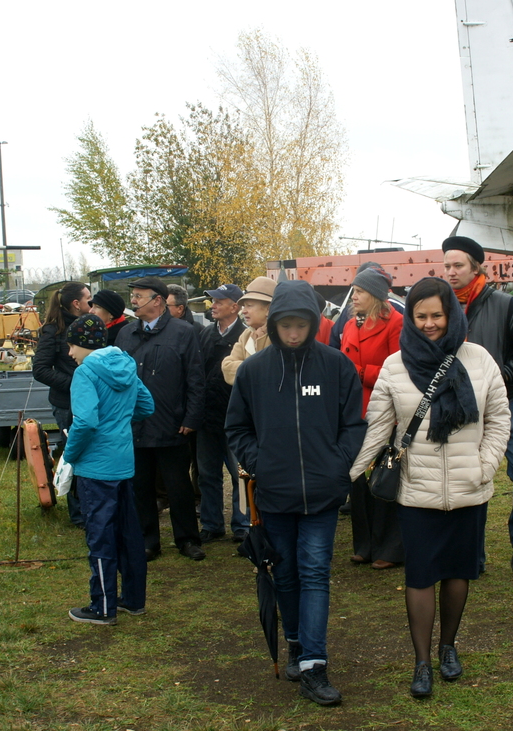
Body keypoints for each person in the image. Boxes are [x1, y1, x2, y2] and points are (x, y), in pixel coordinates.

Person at [351, 277, 510, 698]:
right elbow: (378, 429)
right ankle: (422, 661)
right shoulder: (395, 365)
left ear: (451, 314)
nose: (428, 323)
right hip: (417, 490)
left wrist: (484, 466)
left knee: (458, 572)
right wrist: (348, 474)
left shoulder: (479, 360)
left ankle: (448, 647)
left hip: (468, 486)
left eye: (436, 315)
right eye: (420, 316)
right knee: (420, 575)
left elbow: (498, 420)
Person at [225, 279, 366, 707]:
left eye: (300, 325)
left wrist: (337, 465)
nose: (292, 333)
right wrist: (262, 462)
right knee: (284, 573)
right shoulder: (254, 371)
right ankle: (295, 643)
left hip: (323, 495)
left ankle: (314, 666)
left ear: (311, 323)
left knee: (315, 574)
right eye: (285, 325)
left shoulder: (336, 367)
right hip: (275, 493)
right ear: (275, 322)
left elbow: (354, 426)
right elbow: (237, 428)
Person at [442, 236, 513, 577]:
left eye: (458, 265)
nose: (451, 271)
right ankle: (473, 553)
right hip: (462, 406)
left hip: (505, 402)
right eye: (446, 266)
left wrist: (502, 374)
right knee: (471, 478)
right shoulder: (442, 308)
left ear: (475, 267)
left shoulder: (504, 305)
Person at [63, 314, 156, 625]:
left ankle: (102, 607)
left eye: (71, 345)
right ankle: (133, 599)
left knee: (100, 535)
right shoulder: (125, 363)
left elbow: (86, 421)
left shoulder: (85, 373)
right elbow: (146, 405)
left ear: (80, 344)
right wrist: (118, 421)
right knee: (128, 533)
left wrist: (69, 455)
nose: (69, 353)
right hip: (123, 463)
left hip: (95, 467)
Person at [114, 277, 206, 562]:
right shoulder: (126, 335)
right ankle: (147, 540)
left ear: (158, 300)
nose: (134, 301)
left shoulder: (183, 332)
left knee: (178, 487)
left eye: (140, 296)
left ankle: (188, 539)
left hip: (172, 424)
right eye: (134, 296)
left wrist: (192, 417)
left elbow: (195, 378)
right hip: (134, 426)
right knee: (140, 487)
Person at [340, 265, 405, 570]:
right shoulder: (351, 324)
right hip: (356, 413)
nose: (354, 296)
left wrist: (363, 373)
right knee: (358, 481)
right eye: (354, 290)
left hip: (385, 414)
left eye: (360, 291)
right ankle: (363, 545)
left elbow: (401, 369)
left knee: (385, 478)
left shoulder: (396, 324)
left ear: (376, 296)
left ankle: (389, 548)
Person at [32, 281, 92, 528]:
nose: (92, 303)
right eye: (89, 299)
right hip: (66, 404)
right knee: (73, 454)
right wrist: (75, 383)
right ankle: (78, 513)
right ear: (76, 304)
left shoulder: (88, 325)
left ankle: (91, 505)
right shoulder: (53, 330)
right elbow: (40, 370)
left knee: (90, 453)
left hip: (89, 399)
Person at [196, 283, 249, 544]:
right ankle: (211, 523)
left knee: (240, 473)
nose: (213, 305)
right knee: (207, 474)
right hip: (208, 417)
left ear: (235, 307)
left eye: (219, 301)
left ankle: (242, 524)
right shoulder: (205, 335)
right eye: (212, 301)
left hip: (234, 417)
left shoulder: (246, 336)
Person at [221, 276, 276, 385]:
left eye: (249, 306)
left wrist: (244, 368)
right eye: (244, 306)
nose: (244, 311)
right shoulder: (247, 334)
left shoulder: (280, 335)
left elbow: (273, 373)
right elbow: (227, 367)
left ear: (268, 309)